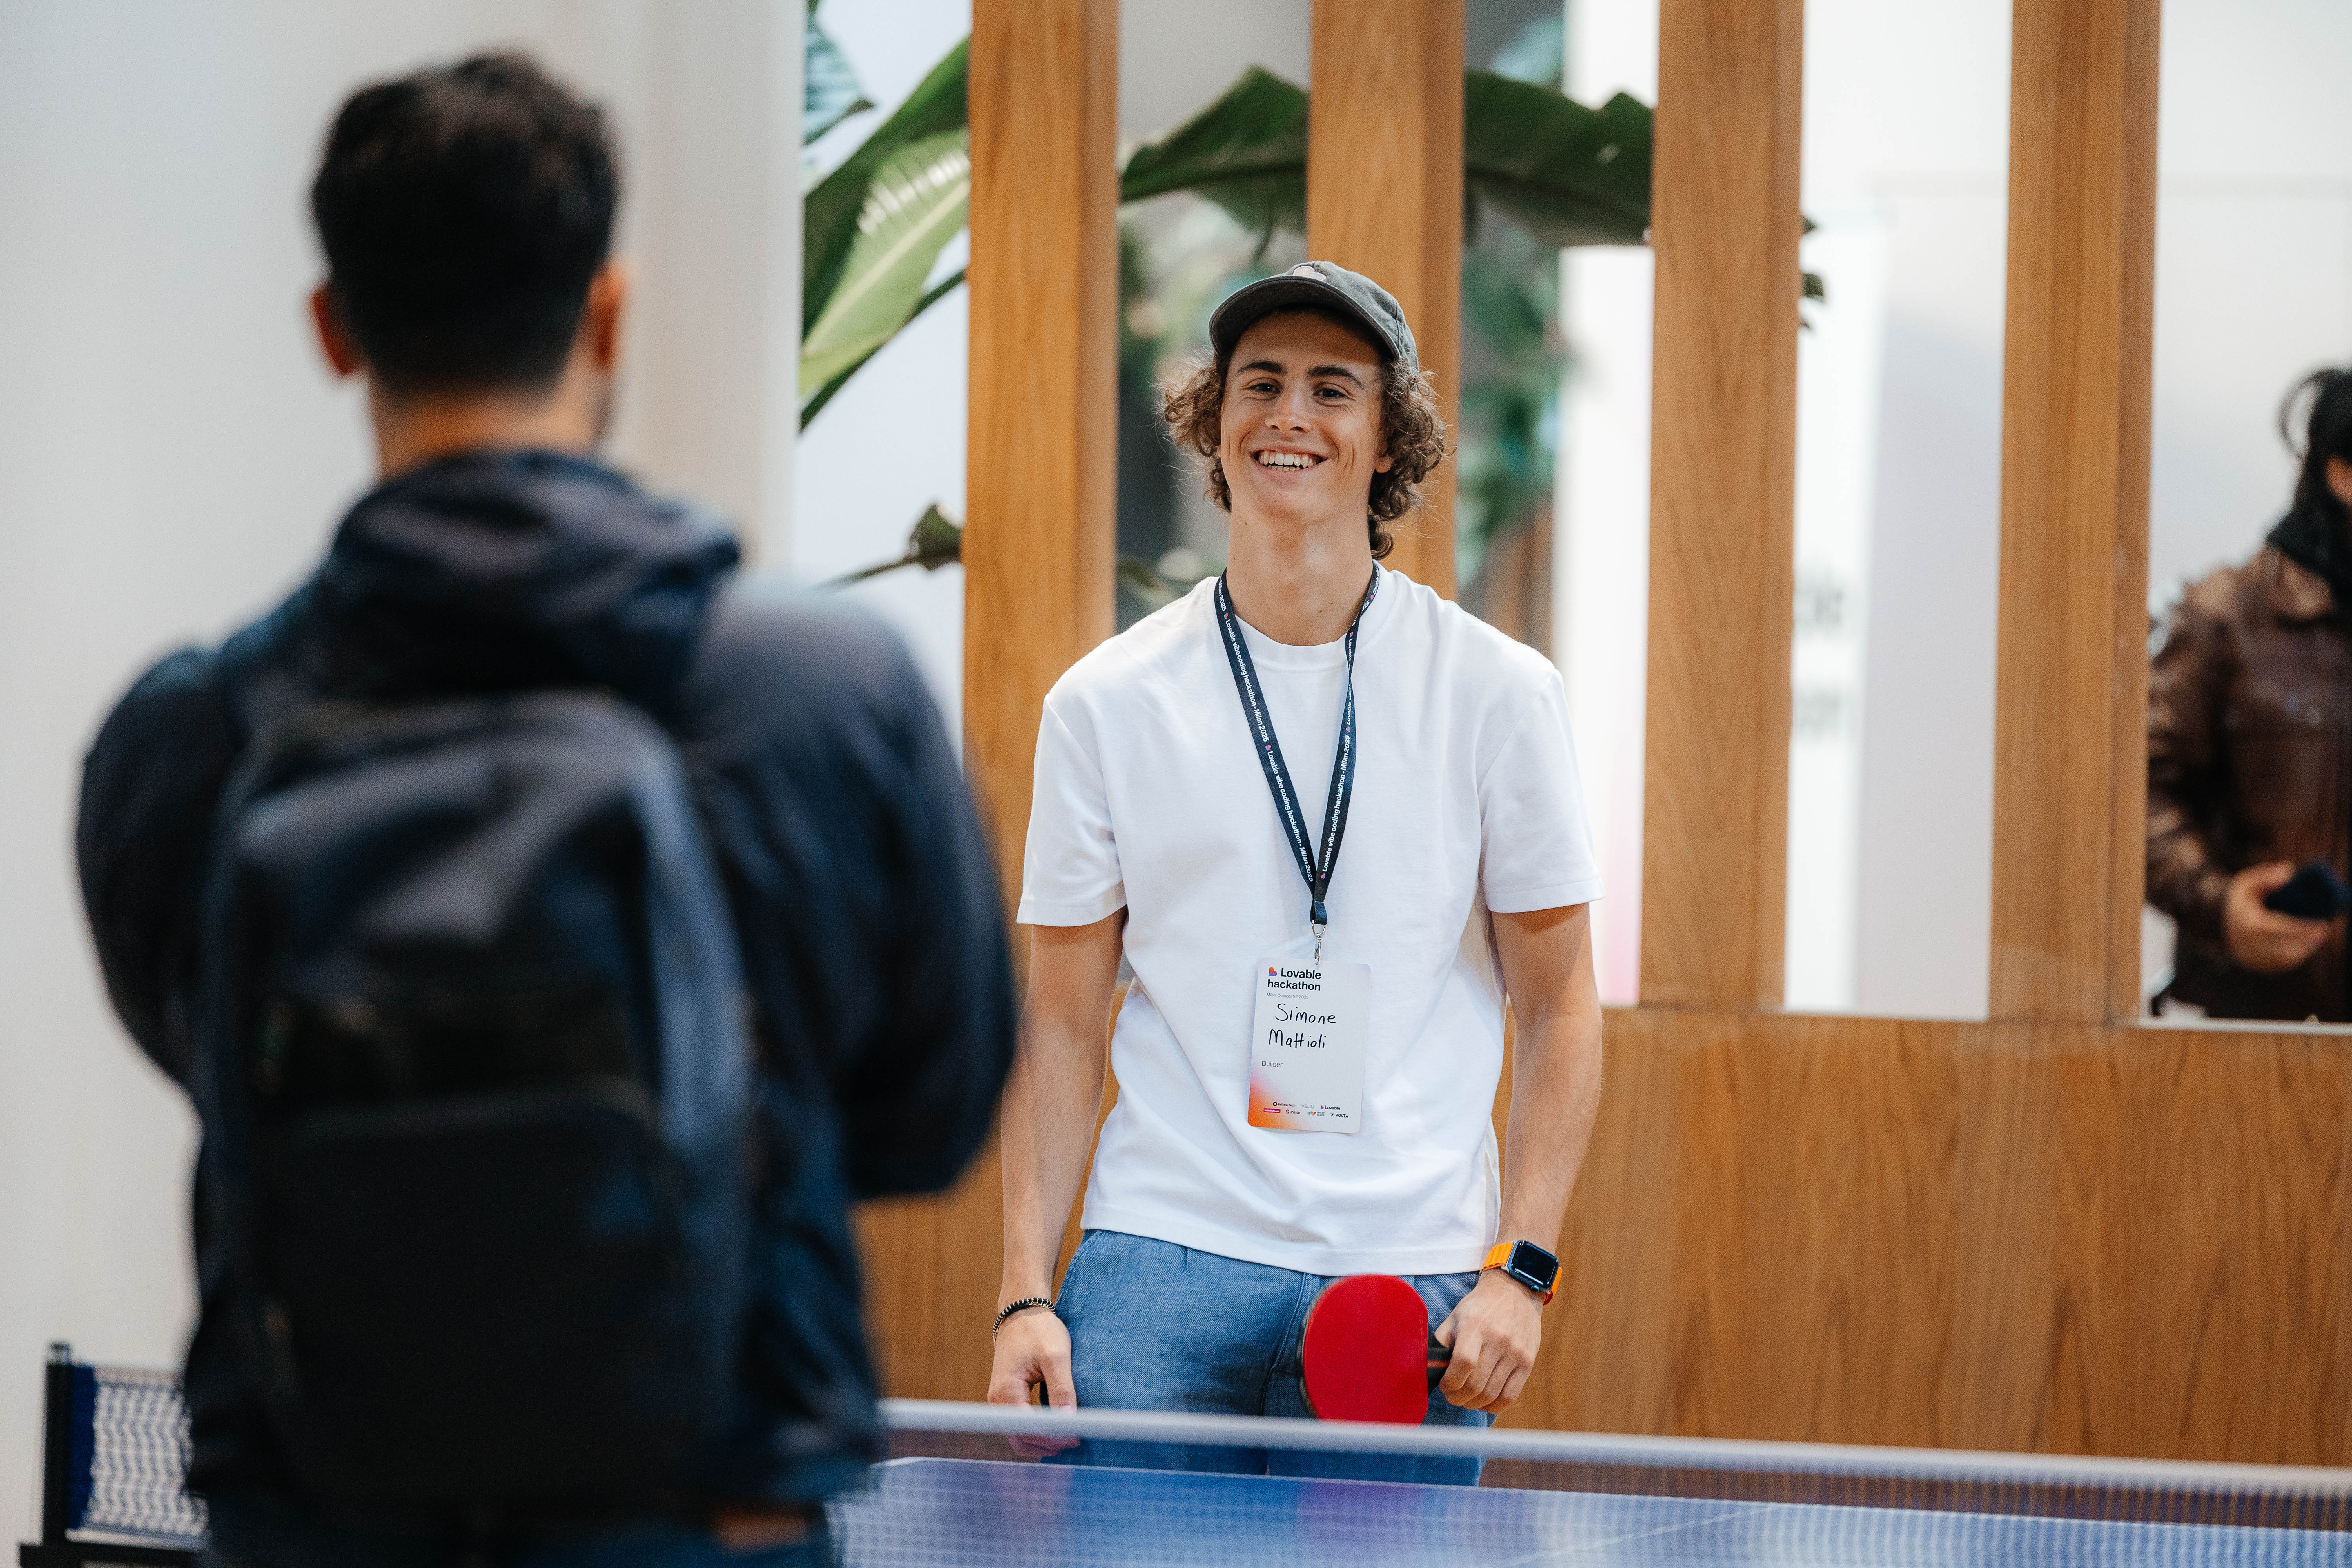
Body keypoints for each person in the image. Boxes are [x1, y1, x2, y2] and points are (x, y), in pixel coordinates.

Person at [75, 54, 1016, 1566]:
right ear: (608, 314)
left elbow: (218, 1062)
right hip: (710, 1511)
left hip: (320, 1516)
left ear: (335, 330)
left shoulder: (188, 734)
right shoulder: (829, 696)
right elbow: (931, 1112)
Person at [985, 261, 1607, 1484]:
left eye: (1334, 389)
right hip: (1156, 1267)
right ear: (1215, 425)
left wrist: (1520, 1270)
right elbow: (1058, 1028)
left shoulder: (1499, 695)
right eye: (1259, 384)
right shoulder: (1103, 704)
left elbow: (1561, 1008)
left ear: (1389, 440)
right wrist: (1021, 1293)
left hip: (1410, 1282)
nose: (1290, 415)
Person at [2149, 367, 2352, 1020]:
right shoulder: (2227, 617)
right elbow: (2131, 789)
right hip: (2261, 1043)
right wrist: (2220, 904)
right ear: (2344, 476)